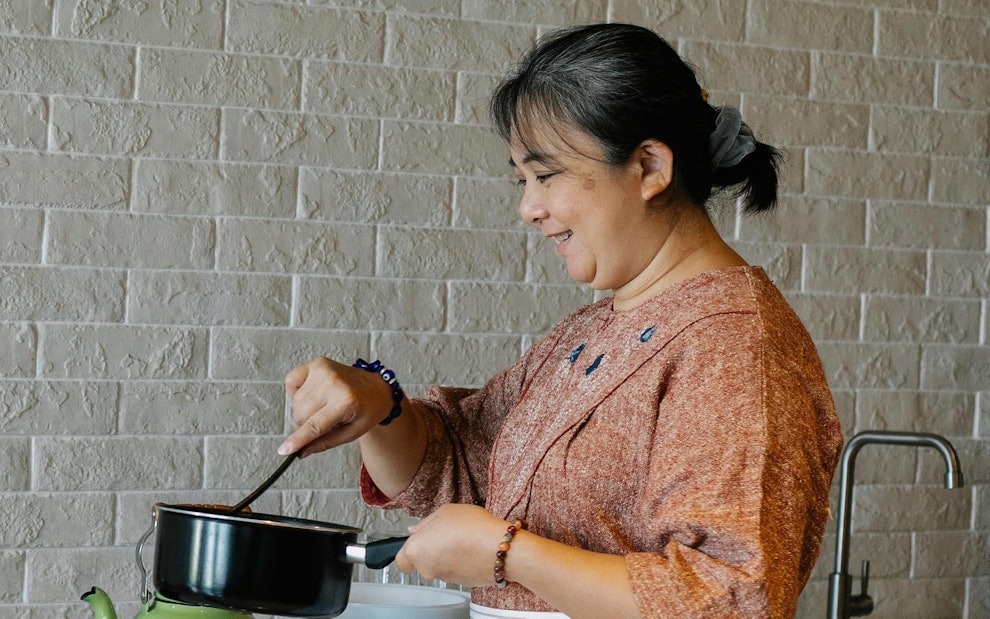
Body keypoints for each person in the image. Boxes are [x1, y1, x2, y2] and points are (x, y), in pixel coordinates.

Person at [280, 23, 843, 619]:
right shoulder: (589, 333)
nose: (528, 208)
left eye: (546, 175)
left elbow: (729, 598)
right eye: (522, 180)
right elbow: (460, 467)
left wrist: (509, 556)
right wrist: (380, 406)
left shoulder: (735, 349)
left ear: (650, 165)